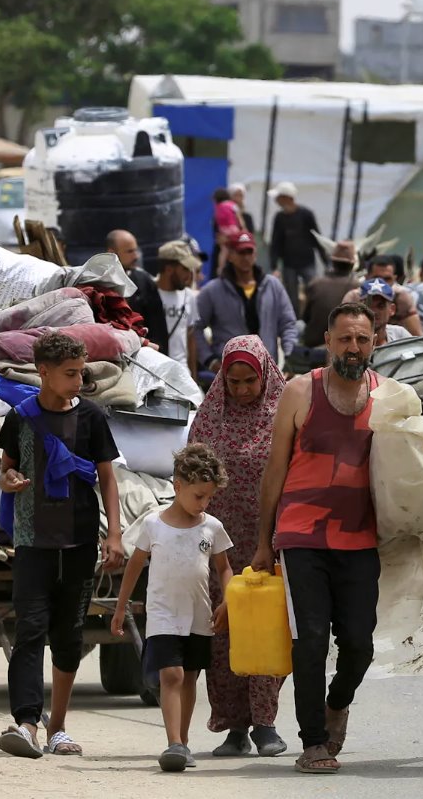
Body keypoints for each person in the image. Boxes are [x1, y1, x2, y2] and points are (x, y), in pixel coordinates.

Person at [251, 302, 385, 775]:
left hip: (361, 537)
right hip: (302, 533)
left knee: (359, 644)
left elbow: (409, 473)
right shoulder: (299, 392)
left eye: (362, 339)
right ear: (328, 341)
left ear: (375, 342)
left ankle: (337, 702)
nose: (354, 347)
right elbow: (275, 471)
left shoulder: (387, 397)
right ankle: (313, 742)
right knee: (309, 639)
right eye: (345, 339)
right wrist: (264, 542)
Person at [0, 332, 124, 759]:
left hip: (81, 542)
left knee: (69, 635)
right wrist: (11, 482)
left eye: (81, 371)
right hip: (32, 542)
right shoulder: (21, 418)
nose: (78, 380)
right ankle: (27, 723)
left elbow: (107, 477)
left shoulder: (91, 417)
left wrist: (116, 534)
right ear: (43, 373)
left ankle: (59, 728)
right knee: (30, 630)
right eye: (69, 374)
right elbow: (6, 473)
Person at [186, 336, 290, 758]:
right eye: (235, 381)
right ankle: (233, 726)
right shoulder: (209, 420)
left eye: (251, 380)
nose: (244, 389)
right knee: (225, 634)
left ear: (265, 374)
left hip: (272, 541)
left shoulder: (286, 414)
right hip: (220, 548)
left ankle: (265, 722)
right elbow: (191, 475)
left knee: (265, 628)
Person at [113, 443, 234, 772]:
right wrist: (120, 608)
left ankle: (183, 742)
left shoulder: (212, 527)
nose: (204, 503)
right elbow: (135, 566)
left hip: (199, 615)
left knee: (190, 678)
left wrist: (229, 601)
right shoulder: (153, 525)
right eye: (199, 496)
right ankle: (173, 743)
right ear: (178, 487)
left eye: (209, 497)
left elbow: (223, 567)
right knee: (171, 674)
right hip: (163, 615)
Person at [196, 232, 298, 372]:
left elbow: (288, 323)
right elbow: (195, 327)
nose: (246, 257)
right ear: (230, 255)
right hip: (230, 373)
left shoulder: (273, 286)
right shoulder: (212, 291)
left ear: (255, 254)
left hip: (266, 370)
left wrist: (289, 355)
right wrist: (210, 360)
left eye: (249, 251)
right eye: (240, 252)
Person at [137, 241, 203, 377]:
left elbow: (190, 338)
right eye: (185, 269)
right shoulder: (146, 295)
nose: (189, 274)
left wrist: (193, 377)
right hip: (153, 371)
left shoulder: (189, 296)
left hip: (182, 372)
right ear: (168, 269)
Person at [269, 182, 327, 317]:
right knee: (291, 296)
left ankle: (313, 317)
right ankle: (295, 321)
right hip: (289, 264)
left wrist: (326, 261)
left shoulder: (306, 215)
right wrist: (274, 265)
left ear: (286, 197)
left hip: (307, 262)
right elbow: (276, 242)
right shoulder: (279, 217)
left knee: (314, 291)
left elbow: (316, 237)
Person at [341, 256, 422, 336]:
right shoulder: (354, 297)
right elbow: (343, 332)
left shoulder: (402, 297)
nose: (381, 283)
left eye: (387, 279)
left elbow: (418, 337)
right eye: (376, 278)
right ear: (366, 277)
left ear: (394, 279)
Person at [301, 241, 359, 348]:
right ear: (352, 264)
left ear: (332, 261)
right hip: (341, 348)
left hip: (313, 344)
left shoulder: (315, 284)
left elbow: (305, 317)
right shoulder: (358, 288)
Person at [360, 278, 411, 346]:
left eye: (380, 306)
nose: (374, 311)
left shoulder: (399, 335)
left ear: (392, 309)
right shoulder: (351, 339)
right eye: (368, 305)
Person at [212, 188, 248, 280]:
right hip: (233, 229)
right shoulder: (232, 205)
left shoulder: (218, 207)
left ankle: (220, 268)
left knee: (224, 250)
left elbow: (217, 222)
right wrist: (243, 230)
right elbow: (239, 218)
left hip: (223, 231)